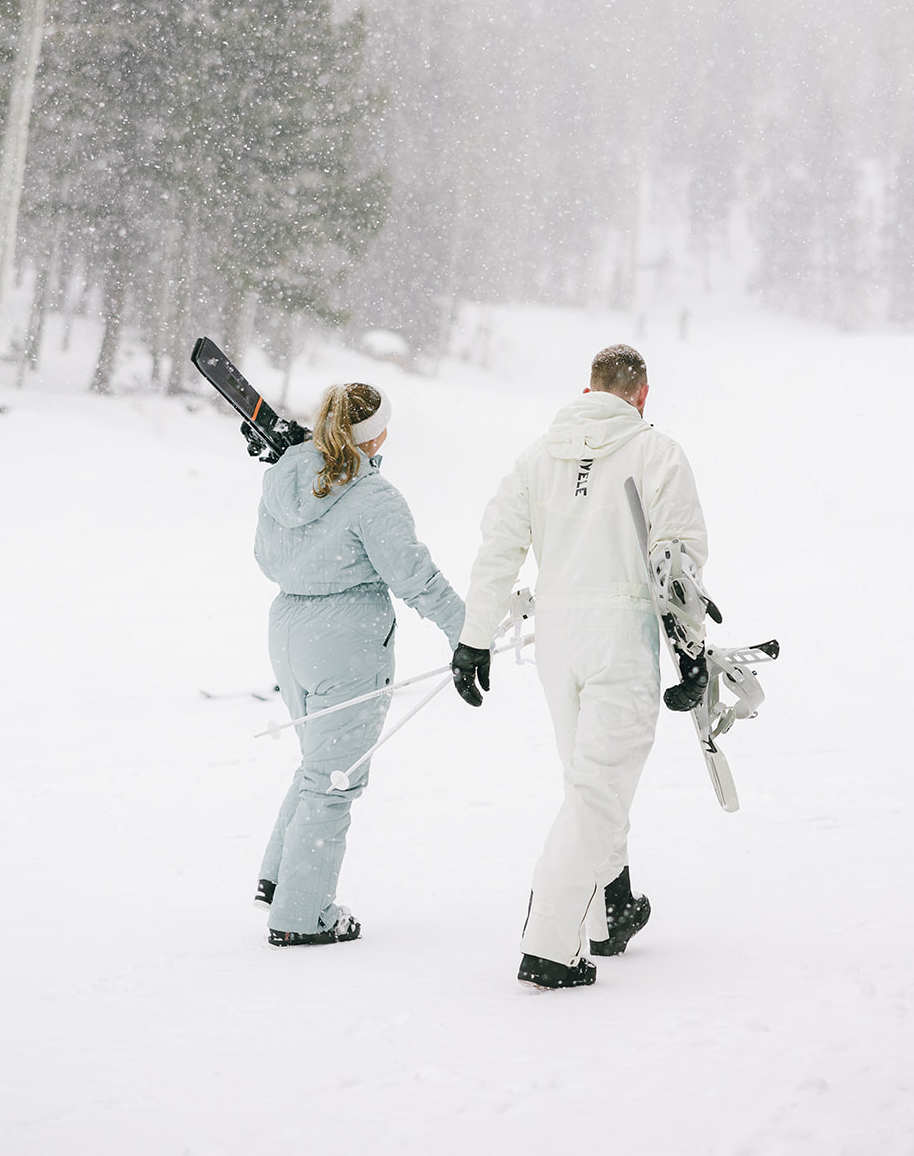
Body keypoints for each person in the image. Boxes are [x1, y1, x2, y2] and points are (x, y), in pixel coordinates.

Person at [452, 344, 709, 990]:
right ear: (641, 394)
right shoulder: (656, 453)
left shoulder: (538, 457)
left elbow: (498, 544)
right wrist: (691, 652)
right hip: (618, 632)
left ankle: (608, 912)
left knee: (589, 781)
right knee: (598, 787)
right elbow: (676, 561)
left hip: (557, 638)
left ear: (589, 388)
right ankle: (548, 944)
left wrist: (474, 637)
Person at [254, 382, 464, 947]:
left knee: (317, 763)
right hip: (345, 639)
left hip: (288, 630)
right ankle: (302, 914)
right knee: (335, 779)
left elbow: (264, 555)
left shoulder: (284, 477)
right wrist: (469, 635)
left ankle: (282, 878)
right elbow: (416, 578)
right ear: (377, 434)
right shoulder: (375, 498)